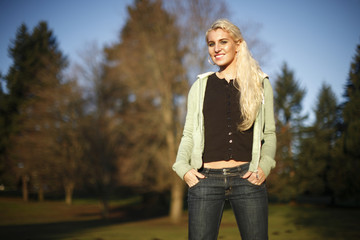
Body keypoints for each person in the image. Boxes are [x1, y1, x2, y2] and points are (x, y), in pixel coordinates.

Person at [172, 19, 276, 240]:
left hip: (248, 178)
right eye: (211, 44)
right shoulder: (200, 86)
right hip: (204, 180)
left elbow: (269, 133)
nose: (216, 48)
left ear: (238, 44)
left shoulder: (260, 83)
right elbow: (188, 134)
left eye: (223, 42)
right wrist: (183, 168)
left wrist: (265, 166)